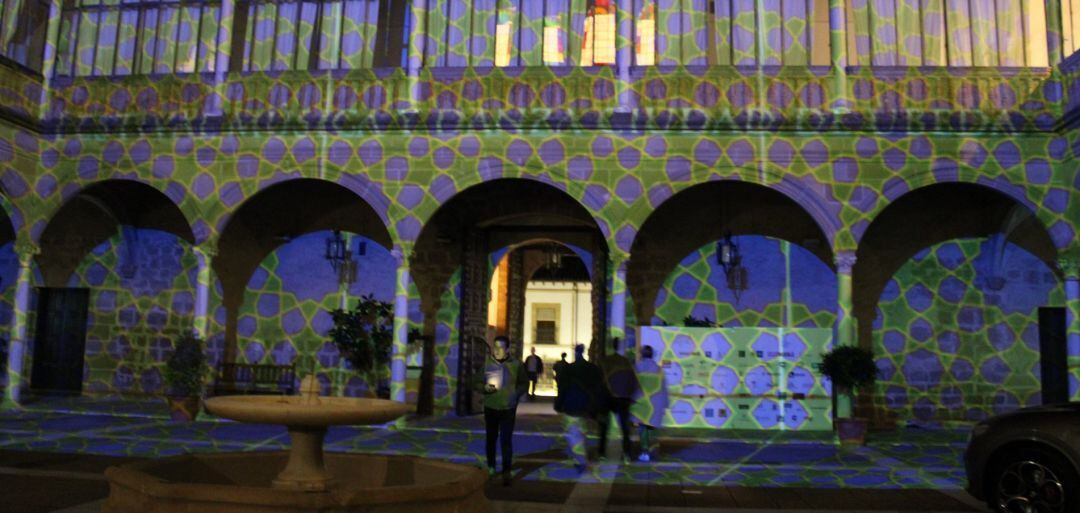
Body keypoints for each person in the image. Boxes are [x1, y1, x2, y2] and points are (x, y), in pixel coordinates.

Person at [476, 335, 528, 486]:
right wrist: (483, 387)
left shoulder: (516, 365)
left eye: (500, 347)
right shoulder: (487, 364)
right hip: (491, 407)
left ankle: (506, 471)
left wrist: (516, 394)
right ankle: (491, 467)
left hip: (508, 409)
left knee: (506, 441)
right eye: (495, 347)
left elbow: (524, 383)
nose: (497, 350)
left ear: (507, 349)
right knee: (491, 439)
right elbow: (475, 382)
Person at [554, 343, 608, 473]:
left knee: (573, 434)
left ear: (575, 352)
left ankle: (580, 460)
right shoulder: (592, 369)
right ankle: (582, 457)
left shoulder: (569, 369)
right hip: (586, 406)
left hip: (571, 405)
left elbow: (562, 388)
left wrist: (558, 404)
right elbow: (598, 388)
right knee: (582, 432)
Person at [597, 337, 640, 462]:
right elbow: (634, 382)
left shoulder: (604, 362)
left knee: (604, 427)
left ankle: (601, 453)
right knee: (624, 428)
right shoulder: (626, 362)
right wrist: (631, 396)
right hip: (623, 399)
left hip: (607, 399)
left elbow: (599, 383)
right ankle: (626, 453)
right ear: (620, 346)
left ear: (611, 346)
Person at [630, 344, 668, 462]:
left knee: (642, 428)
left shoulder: (636, 367)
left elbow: (632, 386)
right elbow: (663, 388)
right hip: (653, 405)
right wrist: (666, 404)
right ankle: (646, 450)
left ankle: (645, 451)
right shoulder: (658, 369)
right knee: (647, 427)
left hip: (641, 403)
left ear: (642, 354)